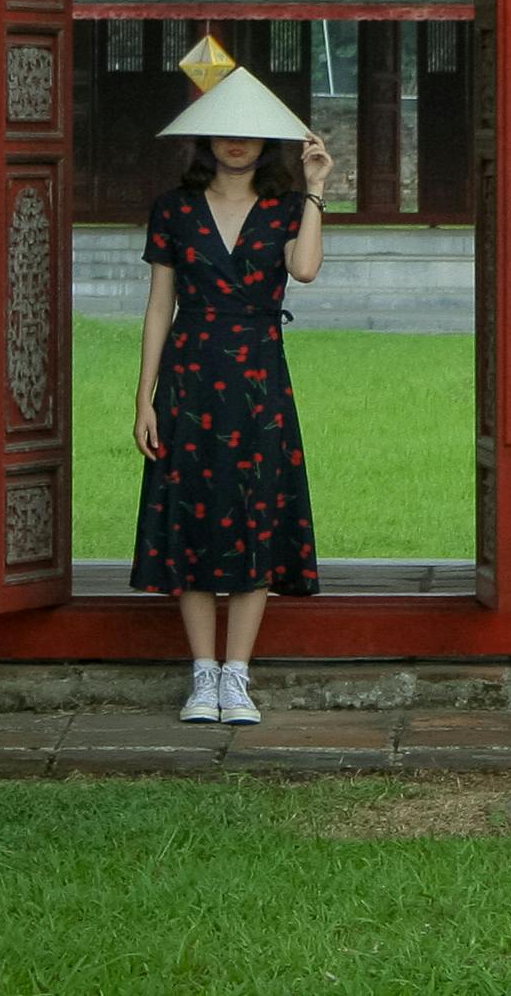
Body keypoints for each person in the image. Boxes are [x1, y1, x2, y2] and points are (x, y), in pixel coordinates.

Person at [130, 63, 333, 728]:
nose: (237, 144)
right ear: (207, 139)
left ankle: (238, 674)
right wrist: (144, 398)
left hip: (258, 375)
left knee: (257, 513)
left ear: (265, 141)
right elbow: (160, 307)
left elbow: (303, 270)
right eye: (225, 132)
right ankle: (202, 674)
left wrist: (317, 188)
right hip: (190, 373)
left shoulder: (283, 208)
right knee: (190, 513)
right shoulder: (173, 208)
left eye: (249, 134)